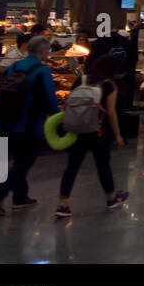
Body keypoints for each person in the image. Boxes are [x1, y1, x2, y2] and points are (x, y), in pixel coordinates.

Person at [0, 36, 58, 216]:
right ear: (41, 51)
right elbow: (50, 99)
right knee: (25, 161)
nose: (48, 53)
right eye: (47, 50)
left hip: (7, 121)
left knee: (19, 160)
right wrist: (58, 119)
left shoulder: (14, 67)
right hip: (29, 124)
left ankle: (20, 198)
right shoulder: (42, 70)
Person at [56, 39, 130, 218]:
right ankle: (111, 198)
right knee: (103, 166)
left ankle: (63, 204)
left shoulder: (81, 80)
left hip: (77, 129)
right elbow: (111, 113)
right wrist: (118, 135)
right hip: (98, 132)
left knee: (72, 166)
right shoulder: (109, 85)